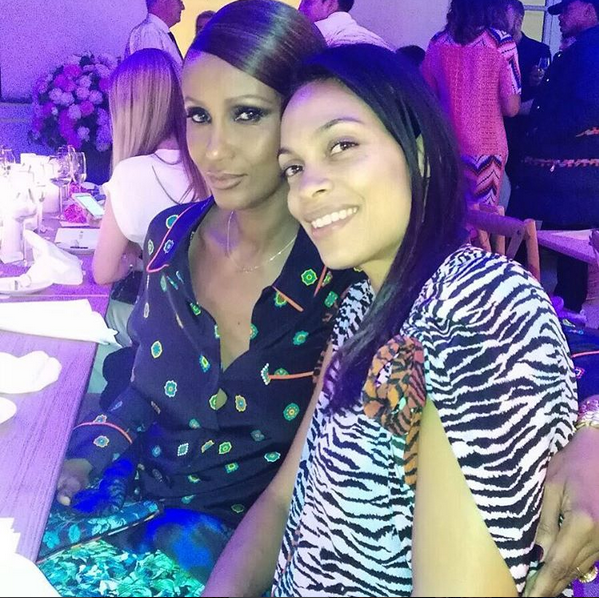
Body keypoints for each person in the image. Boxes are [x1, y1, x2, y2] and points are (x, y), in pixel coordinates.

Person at [203, 43, 577, 597]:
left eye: (342, 145)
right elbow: (284, 497)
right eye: (294, 168)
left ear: (418, 154)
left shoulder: (481, 308)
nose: (308, 188)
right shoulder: (364, 303)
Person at [39, 2, 354, 596]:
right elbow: (143, 390)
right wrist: (86, 455)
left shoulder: (342, 273)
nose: (213, 149)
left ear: (304, 116)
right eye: (198, 116)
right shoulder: (169, 240)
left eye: (247, 114)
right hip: (133, 513)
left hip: (259, 556)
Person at [91, 49, 205, 350]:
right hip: (211, 322)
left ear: (127, 112)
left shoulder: (130, 174)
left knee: (92, 314)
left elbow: (103, 273)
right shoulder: (209, 163)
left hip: (165, 329)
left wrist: (131, 261)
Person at [508, 0, 599, 315]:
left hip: (570, 176)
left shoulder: (592, 50)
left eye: (568, 10)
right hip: (563, 178)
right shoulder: (583, 48)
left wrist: (540, 130)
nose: (561, 18)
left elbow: (586, 110)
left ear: (589, 10)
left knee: (570, 260)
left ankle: (560, 322)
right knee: (560, 253)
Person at [422, 0, 521, 206]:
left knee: (449, 212)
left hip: (446, 143)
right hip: (487, 147)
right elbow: (511, 108)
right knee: (483, 217)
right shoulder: (501, 43)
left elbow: (426, 96)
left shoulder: (438, 42)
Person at [503, 0, 551, 186]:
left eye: (503, 16)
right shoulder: (492, 49)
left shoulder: (539, 50)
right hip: (497, 126)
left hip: (523, 130)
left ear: (519, 20)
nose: (497, 21)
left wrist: (542, 80)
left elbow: (546, 92)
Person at [298, 0, 394, 49]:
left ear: (330, 4)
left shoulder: (316, 33)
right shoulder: (378, 41)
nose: (300, 9)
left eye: (307, 3)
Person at [125, 0, 186, 69]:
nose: (183, 7)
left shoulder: (154, 32)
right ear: (163, 1)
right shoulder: (149, 33)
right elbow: (152, 74)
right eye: (178, 1)